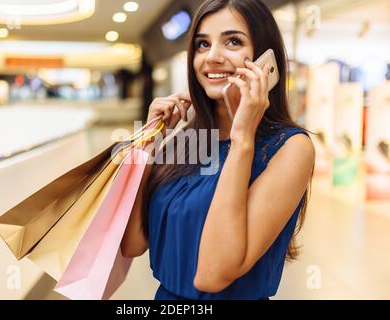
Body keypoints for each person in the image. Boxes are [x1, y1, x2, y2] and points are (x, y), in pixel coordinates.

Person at [121, 0, 315, 300]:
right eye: (202, 44)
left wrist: (242, 139)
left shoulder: (290, 148)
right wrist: (149, 141)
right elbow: (133, 243)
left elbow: (212, 276)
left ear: (266, 60)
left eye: (233, 41)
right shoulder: (188, 140)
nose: (212, 57)